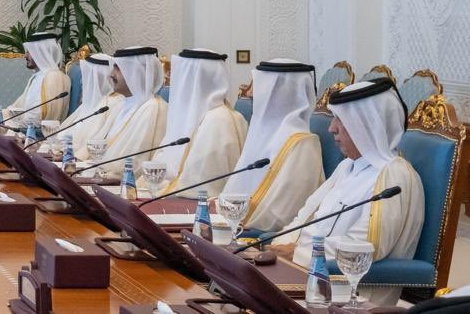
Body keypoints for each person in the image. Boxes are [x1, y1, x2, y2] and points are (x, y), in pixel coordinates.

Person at [275, 78, 423, 305]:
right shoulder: (348, 166)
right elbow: (305, 217)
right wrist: (277, 246)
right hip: (308, 272)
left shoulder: (394, 175)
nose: (331, 128)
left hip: (350, 292)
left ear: (368, 124)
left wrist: (296, 253)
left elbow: (364, 248)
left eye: (341, 120)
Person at [221, 59, 324, 233]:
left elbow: (281, 215)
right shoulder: (261, 132)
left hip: (260, 235)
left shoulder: (303, 144)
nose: (251, 94)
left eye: (261, 89)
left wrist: (231, 218)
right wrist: (220, 206)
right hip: (238, 224)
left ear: (279, 94)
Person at [156, 48, 247, 197]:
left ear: (193, 80)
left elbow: (198, 189)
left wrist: (156, 186)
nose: (176, 83)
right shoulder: (188, 116)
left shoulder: (218, 121)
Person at [98, 46, 168, 162]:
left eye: (118, 68)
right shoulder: (121, 103)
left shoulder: (153, 108)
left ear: (135, 73)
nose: (111, 74)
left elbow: (136, 161)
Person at [64, 53, 123, 158]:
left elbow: (93, 141)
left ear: (98, 78)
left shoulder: (112, 103)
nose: (82, 81)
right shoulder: (89, 103)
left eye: (88, 75)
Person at [4, 32, 70, 122]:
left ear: (41, 53)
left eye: (29, 52)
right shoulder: (38, 76)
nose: (25, 55)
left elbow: (38, 118)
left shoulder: (53, 77)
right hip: (23, 125)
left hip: (35, 129)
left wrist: (7, 123)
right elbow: (18, 106)